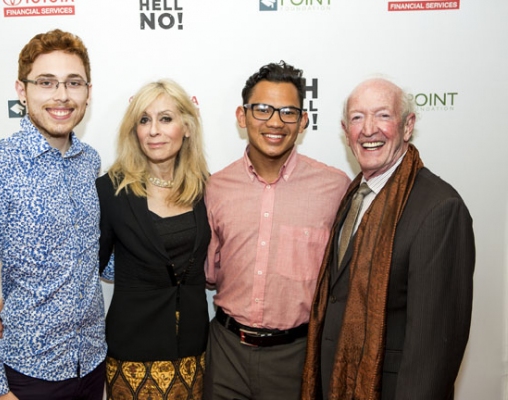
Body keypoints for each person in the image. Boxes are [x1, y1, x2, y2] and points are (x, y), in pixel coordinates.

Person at [301, 78, 476, 400]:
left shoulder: (439, 208)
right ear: (345, 130)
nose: (368, 129)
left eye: (383, 115)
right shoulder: (354, 193)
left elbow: (434, 348)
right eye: (357, 117)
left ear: (408, 126)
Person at [0, 29, 106, 400]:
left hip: (92, 364)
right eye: (46, 82)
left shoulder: (90, 161)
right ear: (22, 90)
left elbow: (95, 256)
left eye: (74, 83)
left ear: (88, 91)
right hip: (29, 375)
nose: (62, 95)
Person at [203, 61, 350, 400]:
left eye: (287, 112)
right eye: (263, 109)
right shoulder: (216, 187)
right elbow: (209, 271)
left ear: (303, 121)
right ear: (242, 116)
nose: (274, 122)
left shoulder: (334, 189)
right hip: (226, 352)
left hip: (296, 356)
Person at [96, 79, 211, 399]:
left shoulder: (206, 188)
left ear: (187, 127)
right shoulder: (110, 191)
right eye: (144, 120)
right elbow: (86, 268)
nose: (153, 130)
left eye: (165, 118)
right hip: (132, 351)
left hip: (192, 347)